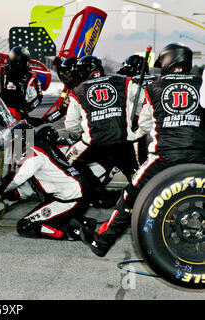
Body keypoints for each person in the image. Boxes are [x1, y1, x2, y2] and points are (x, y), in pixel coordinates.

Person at [80, 43, 205, 257]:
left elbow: (144, 125)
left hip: (164, 156)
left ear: (167, 61)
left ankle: (102, 241)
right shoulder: (201, 84)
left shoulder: (154, 87)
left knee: (131, 194)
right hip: (199, 156)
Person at [0, 125, 96, 240]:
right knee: (47, 214)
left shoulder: (33, 152)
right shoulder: (41, 148)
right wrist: (7, 195)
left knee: (25, 226)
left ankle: (73, 233)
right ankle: (83, 222)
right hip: (77, 192)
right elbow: (30, 187)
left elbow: (16, 179)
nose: (12, 149)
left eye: (12, 144)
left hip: (69, 198)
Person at [64, 55, 139, 184]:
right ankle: (142, 195)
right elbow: (143, 103)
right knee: (135, 175)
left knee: (66, 162)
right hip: (123, 140)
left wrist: (77, 135)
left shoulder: (77, 91)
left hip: (94, 143)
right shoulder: (123, 81)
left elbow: (71, 126)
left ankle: (93, 190)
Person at [0, 46, 43, 122]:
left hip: (19, 116)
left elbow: (38, 97)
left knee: (27, 133)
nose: (20, 66)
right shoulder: (0, 72)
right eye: (18, 63)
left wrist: (25, 109)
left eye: (23, 63)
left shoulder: (31, 76)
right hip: (1, 115)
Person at [117, 54, 158, 165]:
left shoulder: (132, 83)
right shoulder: (157, 80)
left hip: (142, 127)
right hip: (161, 125)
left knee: (139, 162)